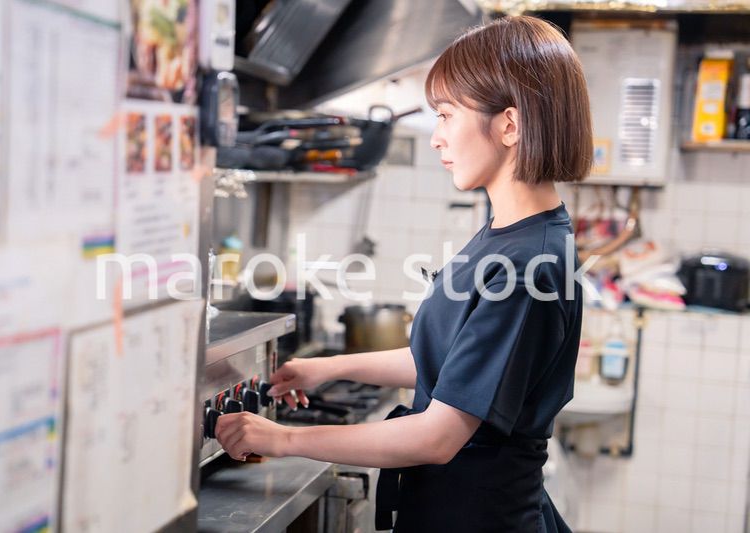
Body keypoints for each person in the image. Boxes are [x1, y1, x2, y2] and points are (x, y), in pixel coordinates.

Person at [215, 15, 592, 532]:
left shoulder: (529, 268)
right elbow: (451, 368)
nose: (437, 138)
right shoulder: (509, 235)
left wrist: (279, 439)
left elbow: (436, 437)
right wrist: (326, 368)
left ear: (510, 124)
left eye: (446, 115)